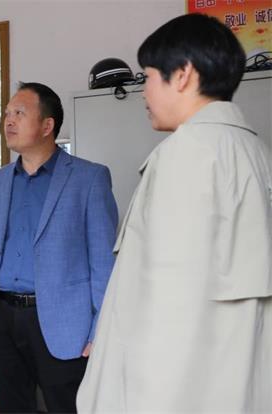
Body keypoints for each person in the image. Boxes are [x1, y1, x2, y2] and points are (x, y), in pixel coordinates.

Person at [77, 13, 272, 412]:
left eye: (148, 77)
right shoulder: (255, 153)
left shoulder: (187, 154)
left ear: (182, 75)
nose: (143, 93)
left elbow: (168, 311)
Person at [0, 82, 118, 413]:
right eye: (7, 114)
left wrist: (101, 329)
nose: (9, 121)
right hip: (3, 319)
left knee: (67, 407)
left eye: (19, 113)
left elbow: (104, 265)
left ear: (47, 125)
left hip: (64, 322)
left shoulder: (89, 178)